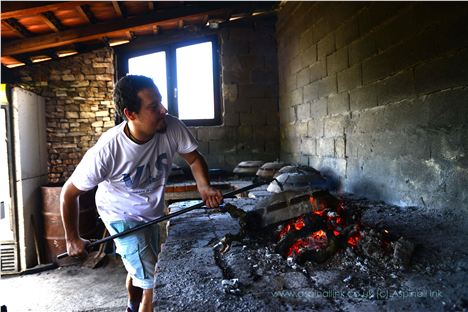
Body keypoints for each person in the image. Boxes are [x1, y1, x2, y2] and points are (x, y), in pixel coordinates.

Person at [60, 75, 223, 312]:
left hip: (151, 212)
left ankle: (131, 307)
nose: (163, 110)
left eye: (161, 102)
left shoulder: (171, 127)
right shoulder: (108, 150)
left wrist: (204, 187)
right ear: (130, 114)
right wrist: (72, 238)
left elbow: (195, 159)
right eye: (154, 107)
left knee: (141, 270)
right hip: (120, 214)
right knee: (153, 282)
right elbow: (68, 193)